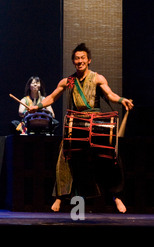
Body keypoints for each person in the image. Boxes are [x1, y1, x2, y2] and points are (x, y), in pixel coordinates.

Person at [28, 43, 134, 213]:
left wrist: (122, 100)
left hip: (96, 122)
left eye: (82, 58)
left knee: (112, 153)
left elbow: (110, 95)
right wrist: (37, 106)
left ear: (89, 60)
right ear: (73, 61)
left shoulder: (98, 78)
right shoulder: (68, 81)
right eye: (77, 58)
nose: (80, 61)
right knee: (64, 154)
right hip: (76, 123)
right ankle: (60, 197)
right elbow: (52, 97)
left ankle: (117, 196)